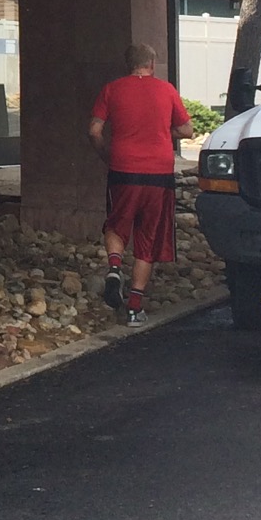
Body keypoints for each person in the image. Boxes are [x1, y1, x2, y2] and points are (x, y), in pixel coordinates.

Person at [88, 42, 190, 323]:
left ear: (128, 65)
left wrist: (106, 155)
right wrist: (162, 129)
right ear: (152, 64)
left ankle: (114, 266)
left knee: (116, 224)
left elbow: (94, 130)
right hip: (159, 174)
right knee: (148, 236)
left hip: (123, 170)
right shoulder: (167, 90)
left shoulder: (112, 89)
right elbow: (187, 129)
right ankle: (134, 307)